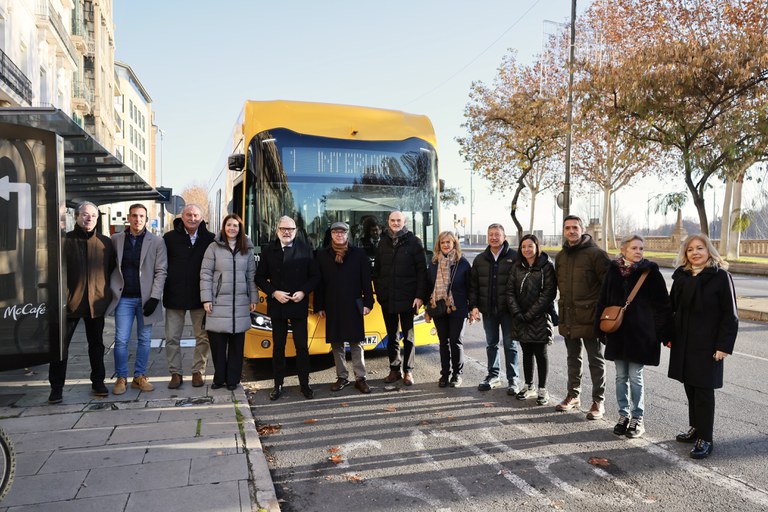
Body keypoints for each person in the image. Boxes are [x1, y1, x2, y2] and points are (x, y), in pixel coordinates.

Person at [668, 233, 738, 459]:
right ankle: (696, 428)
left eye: (700, 248)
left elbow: (730, 315)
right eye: (690, 249)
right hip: (684, 341)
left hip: (708, 344)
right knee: (690, 386)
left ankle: (706, 438)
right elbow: (672, 308)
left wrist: (724, 345)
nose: (695, 253)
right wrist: (668, 335)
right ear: (685, 254)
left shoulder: (720, 277)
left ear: (709, 251)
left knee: (704, 391)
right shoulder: (681, 277)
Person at [596, 234, 672, 438]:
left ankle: (638, 418)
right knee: (621, 377)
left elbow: (663, 306)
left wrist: (661, 333)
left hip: (641, 335)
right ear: (623, 250)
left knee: (635, 376)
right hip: (617, 333)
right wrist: (600, 329)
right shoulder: (613, 271)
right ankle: (623, 415)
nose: (638, 252)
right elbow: (602, 300)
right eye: (634, 248)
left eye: (641, 248)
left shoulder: (651, 272)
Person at [48, 202, 116, 404]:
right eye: (85, 215)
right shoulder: (64, 241)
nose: (89, 219)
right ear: (76, 216)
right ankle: (56, 388)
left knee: (96, 345)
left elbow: (111, 270)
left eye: (93, 216)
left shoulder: (105, 243)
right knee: (61, 347)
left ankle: (98, 382)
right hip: (70, 305)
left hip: (96, 303)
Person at [255, 215, 320, 400]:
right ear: (277, 230)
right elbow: (259, 277)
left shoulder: (305, 249)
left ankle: (305, 384)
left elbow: (315, 276)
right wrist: (274, 292)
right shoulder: (269, 251)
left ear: (295, 231)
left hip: (298, 304)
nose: (287, 232)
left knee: (302, 347)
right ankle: (278, 385)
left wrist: (303, 292)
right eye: (283, 229)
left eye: (290, 229)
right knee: (278, 347)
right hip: (278, 305)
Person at [555, 215, 610, 419]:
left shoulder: (596, 254)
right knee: (572, 358)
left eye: (575, 227)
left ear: (582, 229)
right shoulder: (560, 256)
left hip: (591, 317)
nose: (571, 231)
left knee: (596, 360)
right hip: (568, 316)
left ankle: (598, 400)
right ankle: (573, 395)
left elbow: (608, 286)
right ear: (563, 230)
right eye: (567, 227)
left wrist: (601, 312)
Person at [109, 203, 167, 395]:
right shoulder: (116, 240)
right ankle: (121, 378)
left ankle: (139, 377)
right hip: (123, 299)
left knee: (144, 339)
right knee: (121, 339)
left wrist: (155, 297)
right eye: (134, 216)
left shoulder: (157, 242)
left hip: (146, 299)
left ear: (146, 219)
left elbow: (161, 271)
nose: (138, 219)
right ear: (129, 217)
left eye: (141, 216)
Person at [200, 213, 258, 391]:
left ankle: (233, 380)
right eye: (229, 225)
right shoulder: (213, 247)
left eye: (235, 225)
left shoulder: (246, 249)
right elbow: (205, 273)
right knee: (217, 345)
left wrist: (253, 298)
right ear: (224, 227)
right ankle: (219, 379)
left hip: (240, 302)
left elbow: (251, 276)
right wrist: (206, 298)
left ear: (240, 229)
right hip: (218, 302)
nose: (232, 228)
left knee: (236, 345)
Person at [315, 221, 375, 394]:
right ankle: (342, 377)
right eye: (335, 232)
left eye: (342, 232)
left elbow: (366, 280)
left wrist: (368, 303)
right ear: (331, 235)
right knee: (337, 343)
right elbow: (319, 283)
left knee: (356, 342)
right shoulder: (322, 255)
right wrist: (319, 305)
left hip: (353, 303)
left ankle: (360, 378)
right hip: (332, 304)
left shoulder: (359, 254)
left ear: (347, 235)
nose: (339, 235)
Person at [162, 204, 216, 389]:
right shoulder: (169, 238)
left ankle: (197, 372)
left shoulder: (210, 239)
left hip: (199, 297)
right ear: (182, 217)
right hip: (174, 295)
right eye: (188, 215)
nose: (192, 218)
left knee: (203, 337)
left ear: (201, 218)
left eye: (195, 215)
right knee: (171, 338)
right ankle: (175, 373)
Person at [373, 210, 427, 386]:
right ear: (388, 222)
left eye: (399, 220)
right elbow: (378, 271)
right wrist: (380, 293)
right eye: (393, 220)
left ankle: (408, 372)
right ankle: (394, 370)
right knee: (392, 336)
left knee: (409, 337)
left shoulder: (414, 242)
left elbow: (421, 271)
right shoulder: (382, 242)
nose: (396, 223)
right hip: (387, 298)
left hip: (408, 298)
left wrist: (419, 296)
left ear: (404, 222)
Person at [468, 223, 520, 394]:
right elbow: (473, 286)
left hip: (508, 311)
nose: (494, 237)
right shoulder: (480, 259)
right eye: (491, 234)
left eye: (497, 234)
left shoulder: (515, 257)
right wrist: (473, 306)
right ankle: (493, 375)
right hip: (488, 310)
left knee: (510, 344)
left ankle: (513, 379)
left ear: (504, 237)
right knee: (491, 344)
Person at [506, 234, 557, 406]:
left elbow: (549, 293)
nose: (527, 249)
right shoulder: (516, 267)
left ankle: (543, 389)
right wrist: (517, 312)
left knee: (541, 354)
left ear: (536, 247)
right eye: (523, 247)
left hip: (540, 317)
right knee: (526, 353)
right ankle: (529, 386)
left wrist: (531, 314)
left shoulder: (546, 266)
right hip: (520, 317)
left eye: (530, 246)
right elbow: (510, 291)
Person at [425, 231, 471, 387]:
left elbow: (470, 288)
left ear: (454, 244)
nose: (445, 245)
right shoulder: (433, 263)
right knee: (443, 342)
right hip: (438, 308)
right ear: (439, 245)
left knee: (455, 342)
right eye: (442, 242)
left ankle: (457, 374)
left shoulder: (462, 263)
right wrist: (427, 310)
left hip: (458, 308)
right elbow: (428, 287)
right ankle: (445, 374)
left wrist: (472, 309)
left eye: (448, 242)